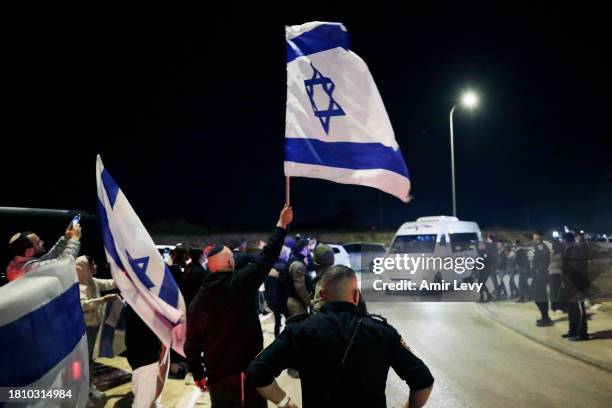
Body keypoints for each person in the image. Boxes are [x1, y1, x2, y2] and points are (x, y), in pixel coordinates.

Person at [247, 265, 434, 408]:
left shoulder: (300, 330)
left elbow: (257, 372)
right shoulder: (382, 332)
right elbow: (423, 381)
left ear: (322, 295)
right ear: (356, 296)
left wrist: (285, 402)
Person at [185, 205, 293, 408]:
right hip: (245, 375)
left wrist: (198, 373)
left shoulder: (197, 302)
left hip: (217, 377)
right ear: (229, 262)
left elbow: (191, 344)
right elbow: (267, 256)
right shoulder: (241, 283)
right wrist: (281, 224)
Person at [75, 255, 119, 400]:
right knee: (84, 359)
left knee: (90, 358)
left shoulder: (92, 281)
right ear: (85, 268)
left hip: (94, 326)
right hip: (85, 328)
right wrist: (103, 299)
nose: (96, 266)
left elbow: (108, 284)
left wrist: (125, 278)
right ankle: (82, 390)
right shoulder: (79, 286)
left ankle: (88, 386)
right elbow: (83, 305)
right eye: (92, 264)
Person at [6, 222, 81, 282]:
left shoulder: (15, 265)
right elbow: (64, 262)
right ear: (29, 252)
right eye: (38, 242)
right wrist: (74, 239)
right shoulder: (28, 269)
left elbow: (48, 257)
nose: (42, 242)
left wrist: (66, 238)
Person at [124, 305, 163, 408]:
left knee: (144, 398)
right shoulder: (143, 302)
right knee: (142, 402)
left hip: (142, 354)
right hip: (145, 356)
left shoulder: (136, 300)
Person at [561, 232, 591, 341]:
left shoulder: (576, 250)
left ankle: (583, 333)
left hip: (577, 285)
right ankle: (573, 330)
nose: (562, 241)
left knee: (579, 308)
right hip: (570, 285)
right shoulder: (568, 249)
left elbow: (578, 269)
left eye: (562, 239)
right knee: (572, 309)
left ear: (566, 240)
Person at [264, 245, 291, 337]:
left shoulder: (268, 268)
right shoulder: (286, 267)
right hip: (284, 299)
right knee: (288, 319)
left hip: (271, 300)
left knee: (277, 321)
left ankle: (277, 336)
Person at [285, 239, 312, 317]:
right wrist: (309, 303)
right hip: (296, 303)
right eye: (307, 248)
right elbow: (300, 288)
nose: (309, 250)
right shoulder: (297, 265)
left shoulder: (295, 260)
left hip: (297, 301)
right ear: (302, 249)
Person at [531, 231, 553, 326]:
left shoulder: (542, 247)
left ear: (538, 237)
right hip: (538, 275)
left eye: (534, 236)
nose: (533, 238)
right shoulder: (538, 247)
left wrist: (539, 271)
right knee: (538, 296)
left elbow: (544, 261)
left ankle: (546, 318)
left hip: (541, 275)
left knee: (540, 296)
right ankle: (545, 317)